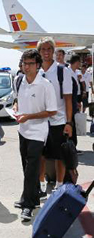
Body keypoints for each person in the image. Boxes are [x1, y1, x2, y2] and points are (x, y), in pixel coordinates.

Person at [13, 50, 57, 221]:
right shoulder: (20, 81)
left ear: (38, 65)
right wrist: (16, 109)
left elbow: (52, 111)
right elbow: (18, 100)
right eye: (24, 63)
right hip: (22, 130)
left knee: (32, 168)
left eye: (30, 63)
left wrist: (29, 116)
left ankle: (28, 206)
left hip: (38, 132)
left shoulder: (45, 85)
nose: (26, 66)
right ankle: (32, 197)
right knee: (26, 167)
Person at [36, 37, 73, 198]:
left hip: (58, 120)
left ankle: (59, 185)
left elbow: (68, 98)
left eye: (49, 49)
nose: (46, 52)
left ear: (53, 51)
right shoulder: (36, 71)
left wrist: (69, 122)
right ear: (39, 52)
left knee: (59, 156)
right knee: (41, 155)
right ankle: (42, 185)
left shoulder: (62, 70)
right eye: (43, 49)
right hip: (40, 120)